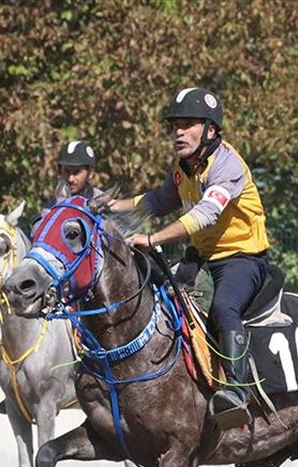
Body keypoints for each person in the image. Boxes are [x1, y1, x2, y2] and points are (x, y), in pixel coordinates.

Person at [99, 87, 269, 430]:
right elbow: (161, 200)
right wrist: (112, 206)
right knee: (155, 291)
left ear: (211, 130)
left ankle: (236, 391)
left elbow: (203, 216)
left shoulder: (228, 165)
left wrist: (153, 238)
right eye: (175, 124)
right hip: (202, 252)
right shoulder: (184, 166)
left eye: (189, 123)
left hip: (242, 257)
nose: (179, 131)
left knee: (224, 309)